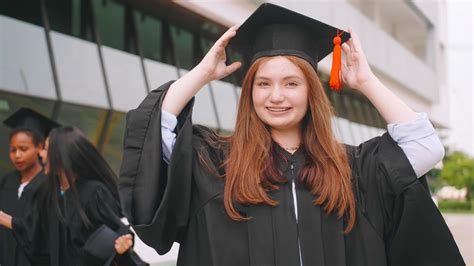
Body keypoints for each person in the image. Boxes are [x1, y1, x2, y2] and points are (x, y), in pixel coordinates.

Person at [119, 3, 464, 266]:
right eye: (263, 84)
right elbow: (156, 128)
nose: (277, 96)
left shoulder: (353, 168)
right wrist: (201, 73)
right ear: (249, 92)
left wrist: (366, 82)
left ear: (311, 92)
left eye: (291, 83)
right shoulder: (217, 165)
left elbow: (424, 146)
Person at [0, 127, 134, 265]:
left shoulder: (93, 193)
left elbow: (116, 232)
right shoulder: (50, 193)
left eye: (46, 149)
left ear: (60, 154)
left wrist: (122, 243)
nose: (41, 154)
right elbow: (34, 231)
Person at [0, 108, 59, 266]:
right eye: (13, 150)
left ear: (40, 147)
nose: (17, 155)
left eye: (23, 149)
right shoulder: (7, 181)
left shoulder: (48, 185)